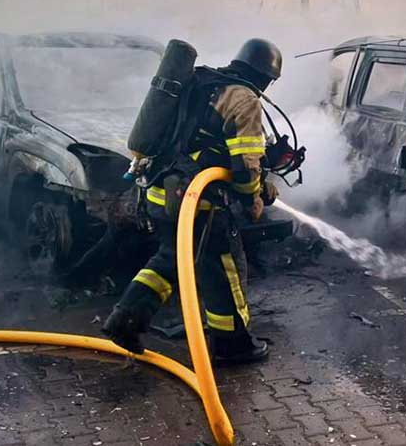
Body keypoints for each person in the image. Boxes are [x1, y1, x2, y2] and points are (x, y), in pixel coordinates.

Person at [102, 38, 283, 365]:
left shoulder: (200, 81)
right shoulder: (244, 99)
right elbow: (245, 165)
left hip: (161, 193)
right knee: (225, 269)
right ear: (266, 77)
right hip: (200, 203)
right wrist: (253, 197)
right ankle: (233, 345)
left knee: (169, 260)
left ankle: (124, 319)